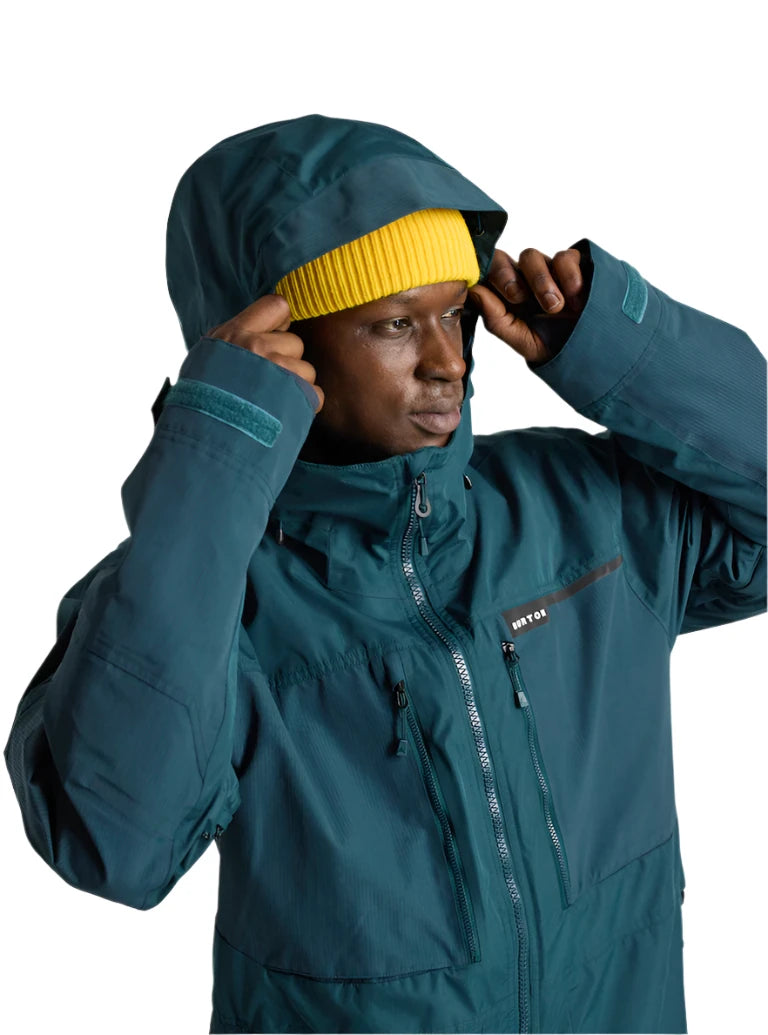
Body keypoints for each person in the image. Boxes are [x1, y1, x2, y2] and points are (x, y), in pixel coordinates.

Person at [4, 113, 765, 1035]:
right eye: (395, 323)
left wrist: (621, 346)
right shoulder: (203, 585)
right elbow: (116, 842)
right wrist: (213, 461)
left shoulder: (581, 509)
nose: (450, 362)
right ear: (278, 347)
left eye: (454, 313)